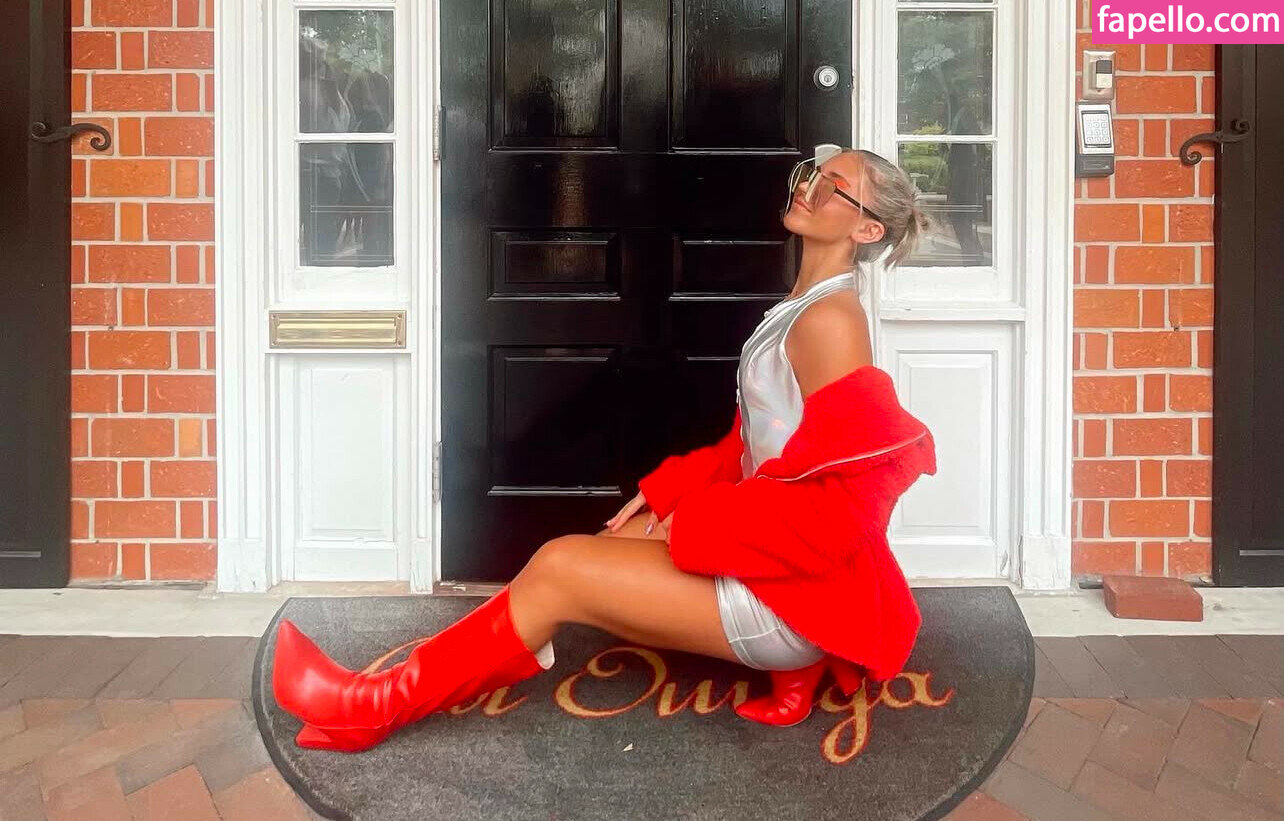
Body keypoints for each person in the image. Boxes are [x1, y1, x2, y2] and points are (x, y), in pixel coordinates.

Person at [269, 147, 938, 752]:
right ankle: (795, 670)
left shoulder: (831, 323)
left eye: (833, 187)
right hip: (779, 559)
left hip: (797, 593)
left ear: (866, 230)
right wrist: (671, 493)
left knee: (560, 568)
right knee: (606, 546)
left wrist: (696, 521)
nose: (808, 188)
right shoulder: (804, 304)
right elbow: (760, 444)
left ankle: (368, 706)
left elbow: (846, 508)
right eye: (813, 174)